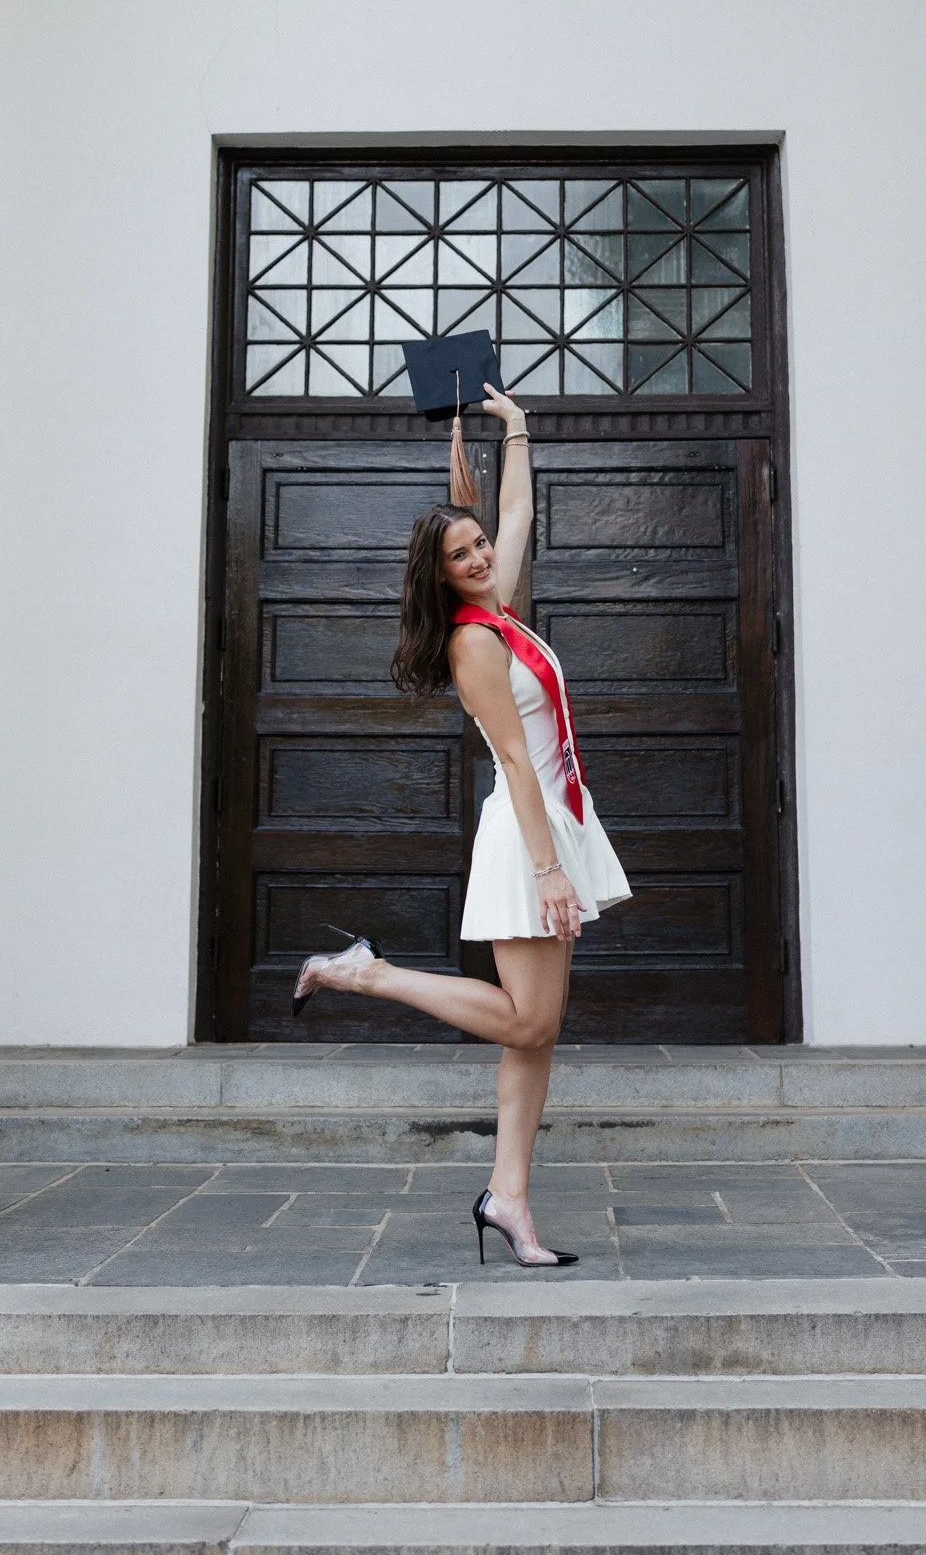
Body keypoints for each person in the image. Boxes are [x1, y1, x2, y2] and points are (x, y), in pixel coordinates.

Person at [292, 385, 631, 1266]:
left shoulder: (500, 613)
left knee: (540, 1028)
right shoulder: (474, 642)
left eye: (480, 545)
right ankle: (364, 975)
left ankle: (508, 1198)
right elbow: (516, 762)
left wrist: (514, 428)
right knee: (526, 1024)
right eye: (461, 553)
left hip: (555, 824)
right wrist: (549, 868)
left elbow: (514, 508)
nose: (481, 556)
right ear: (437, 573)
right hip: (529, 837)